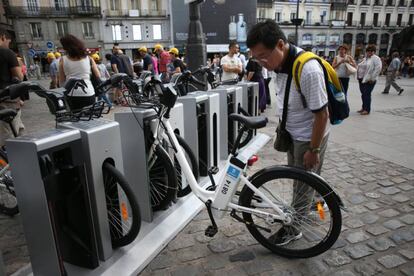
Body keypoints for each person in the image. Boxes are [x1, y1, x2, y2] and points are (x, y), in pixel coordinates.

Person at [247, 20, 330, 245]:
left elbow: (322, 115)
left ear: (281, 44)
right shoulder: (279, 65)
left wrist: (313, 149)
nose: (262, 62)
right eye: (257, 58)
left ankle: (294, 228)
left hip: (308, 136)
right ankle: (315, 202)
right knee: (301, 178)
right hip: (293, 133)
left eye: (264, 55)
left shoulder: (308, 69)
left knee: (302, 184)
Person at [58, 34, 99, 110]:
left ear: (66, 47)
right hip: (89, 92)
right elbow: (98, 75)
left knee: (75, 118)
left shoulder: (63, 60)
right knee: (90, 118)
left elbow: (61, 81)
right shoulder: (89, 58)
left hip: (71, 94)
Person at [0, 27, 24, 146]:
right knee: (10, 139)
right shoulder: (7, 53)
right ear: (3, 37)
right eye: (8, 42)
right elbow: (18, 77)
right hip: (6, 101)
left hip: (7, 101)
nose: (8, 44)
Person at [356, 45, 382, 115]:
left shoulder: (376, 59)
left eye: (371, 51)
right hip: (361, 79)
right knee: (363, 94)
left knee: (367, 94)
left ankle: (367, 109)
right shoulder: (365, 58)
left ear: (374, 52)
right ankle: (363, 107)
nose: (369, 52)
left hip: (369, 80)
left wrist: (372, 78)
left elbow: (378, 69)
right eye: (368, 51)